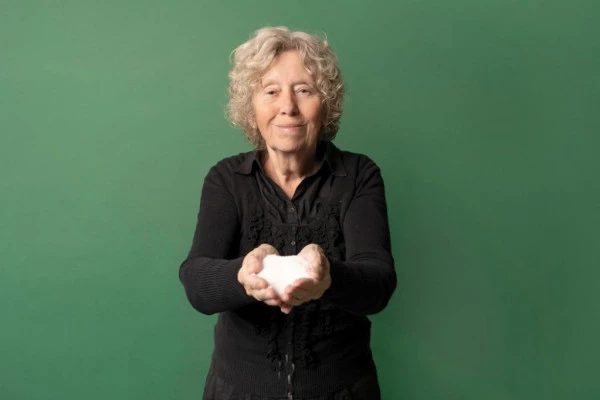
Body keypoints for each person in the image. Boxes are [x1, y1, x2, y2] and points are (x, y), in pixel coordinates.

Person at [179, 26, 396, 400]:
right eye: (271, 91)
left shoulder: (359, 175)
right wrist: (242, 274)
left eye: (304, 90)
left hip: (342, 390)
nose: (288, 107)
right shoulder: (226, 179)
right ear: (251, 107)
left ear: (325, 103)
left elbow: (378, 283)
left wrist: (328, 276)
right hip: (239, 391)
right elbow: (196, 281)